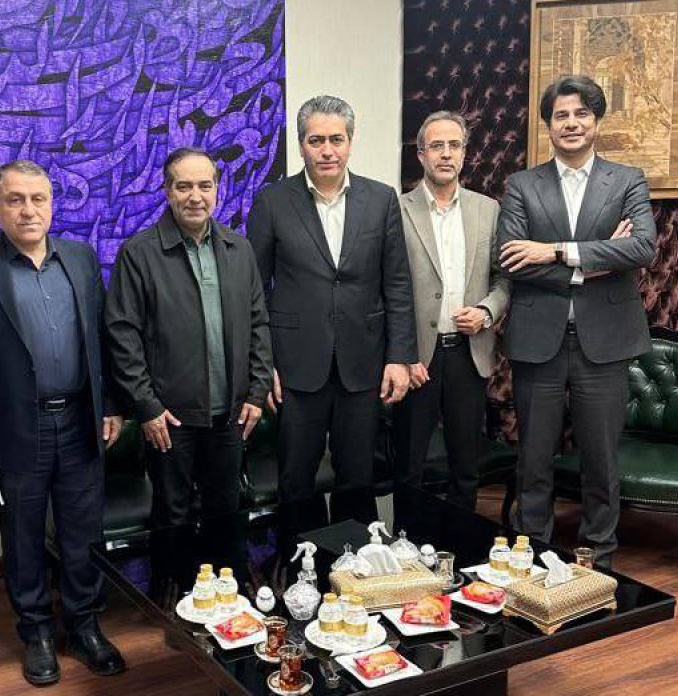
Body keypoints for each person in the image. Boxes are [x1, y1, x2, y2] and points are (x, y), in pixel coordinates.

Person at [0, 160, 125, 685]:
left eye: (38, 198)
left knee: (82, 532)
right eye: (15, 199)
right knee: (23, 537)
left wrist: (110, 403)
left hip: (80, 421)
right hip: (14, 430)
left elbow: (101, 340)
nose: (28, 210)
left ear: (52, 203)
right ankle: (38, 633)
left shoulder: (81, 259)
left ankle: (85, 626)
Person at [496, 75, 656, 564]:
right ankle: (531, 554)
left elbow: (642, 248)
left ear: (596, 121)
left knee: (601, 461)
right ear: (548, 125)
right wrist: (598, 261)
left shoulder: (626, 180)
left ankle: (598, 556)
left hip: (605, 343)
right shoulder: (522, 185)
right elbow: (512, 260)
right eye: (561, 115)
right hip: (537, 340)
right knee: (534, 459)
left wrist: (556, 251)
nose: (571, 123)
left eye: (581, 113)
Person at [247, 95, 418, 526]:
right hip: (296, 367)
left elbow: (397, 284)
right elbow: (252, 291)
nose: (327, 150)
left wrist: (399, 356)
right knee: (296, 482)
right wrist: (262, 364)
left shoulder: (381, 200)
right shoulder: (272, 201)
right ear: (301, 145)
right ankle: (298, 562)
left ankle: (351, 562)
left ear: (350, 142)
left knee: (357, 481)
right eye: (316, 140)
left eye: (336, 139)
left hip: (363, 364)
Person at [105, 148, 272, 527]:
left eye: (204, 185)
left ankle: (224, 569)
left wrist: (257, 393)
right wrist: (147, 406)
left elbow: (258, 324)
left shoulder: (238, 249)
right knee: (172, 514)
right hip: (169, 418)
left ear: (217, 189)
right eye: (184, 186)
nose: (195, 196)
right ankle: (173, 570)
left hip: (230, 414)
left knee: (225, 512)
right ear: (167, 191)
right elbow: (122, 335)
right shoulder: (139, 253)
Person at [392, 111, 510, 512]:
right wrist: (402, 354)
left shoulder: (488, 210)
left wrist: (487, 312)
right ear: (421, 154)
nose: (446, 154)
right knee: (408, 466)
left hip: (468, 354)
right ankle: (407, 542)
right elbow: (385, 289)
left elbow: (504, 278)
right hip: (416, 359)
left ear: (464, 153)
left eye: (454, 145)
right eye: (437, 146)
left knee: (465, 467)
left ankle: (461, 542)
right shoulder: (397, 210)